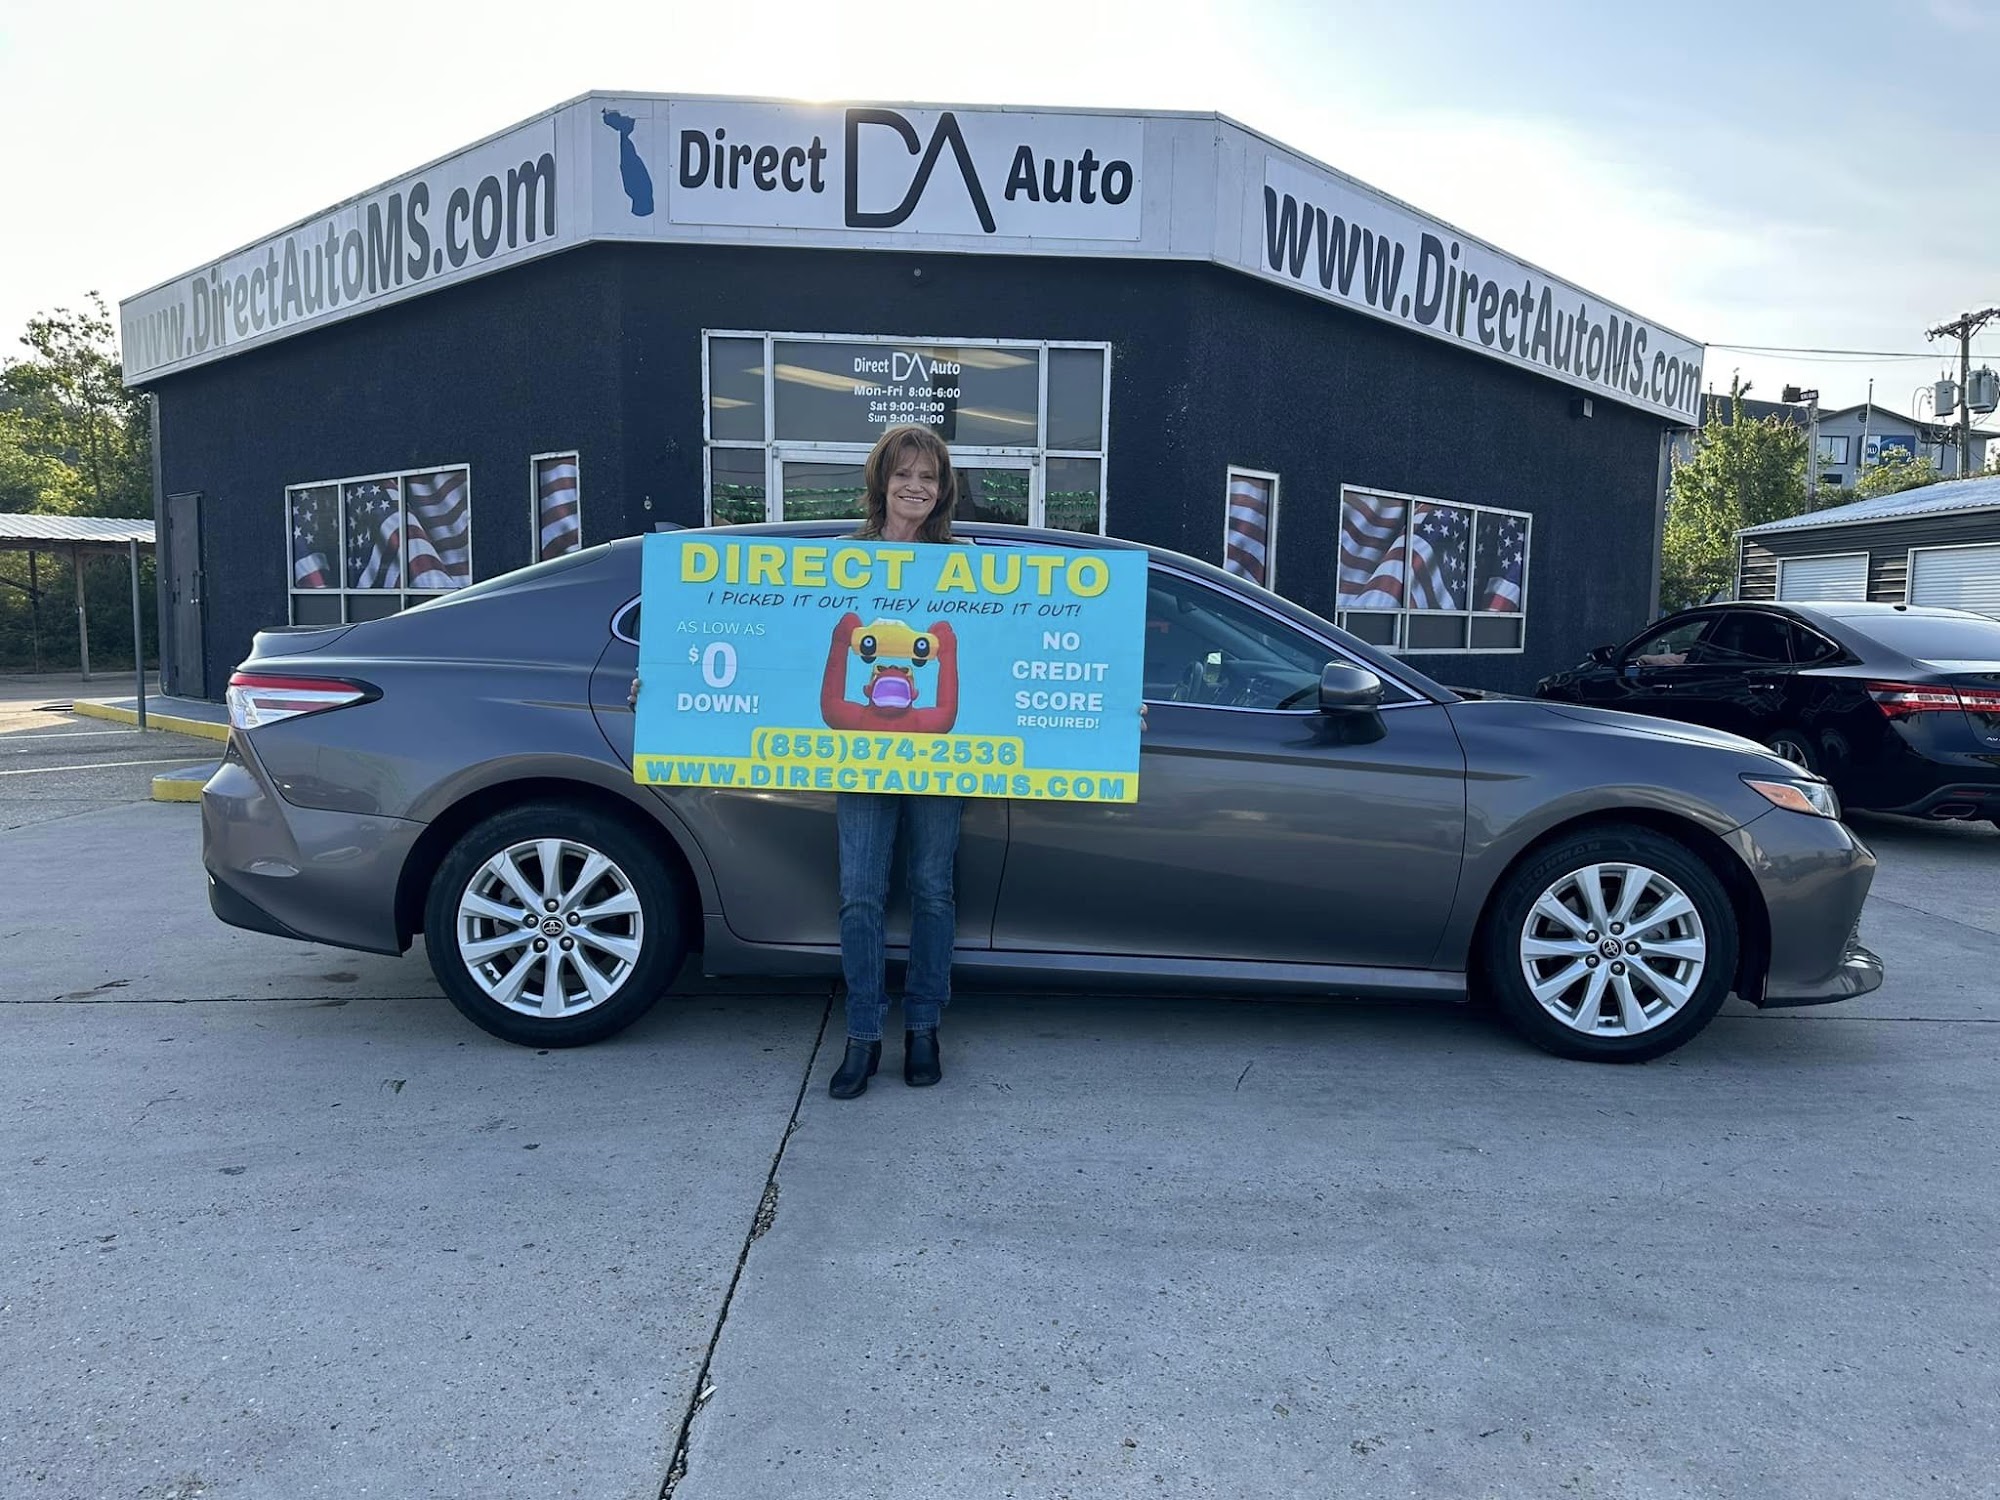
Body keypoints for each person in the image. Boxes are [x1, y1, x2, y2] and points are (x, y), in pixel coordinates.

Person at [827, 425, 963, 1100]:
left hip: (938, 757)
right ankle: (862, 1034)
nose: (914, 486)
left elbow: (1012, 649)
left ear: (942, 491)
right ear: (881, 480)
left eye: (927, 477)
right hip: (860, 756)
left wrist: (1111, 707)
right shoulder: (837, 563)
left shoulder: (964, 567)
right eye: (903, 473)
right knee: (860, 894)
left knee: (932, 890)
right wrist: (663, 686)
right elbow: (775, 651)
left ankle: (923, 1027)